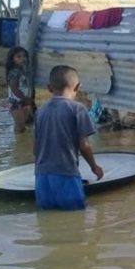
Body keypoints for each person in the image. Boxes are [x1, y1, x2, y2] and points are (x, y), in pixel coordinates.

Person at [34, 65, 103, 210]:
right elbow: (84, 145)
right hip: (66, 174)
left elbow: (36, 148)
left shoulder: (40, 112)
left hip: (41, 177)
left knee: (48, 224)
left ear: (49, 87)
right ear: (77, 87)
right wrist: (94, 166)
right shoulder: (77, 109)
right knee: (76, 222)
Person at [5, 47, 34, 133]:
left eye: (24, 56)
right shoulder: (14, 72)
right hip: (16, 103)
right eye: (19, 56)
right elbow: (14, 88)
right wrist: (25, 98)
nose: (23, 59)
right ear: (12, 59)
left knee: (22, 125)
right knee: (19, 127)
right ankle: (18, 144)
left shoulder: (23, 70)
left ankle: (21, 143)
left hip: (23, 101)